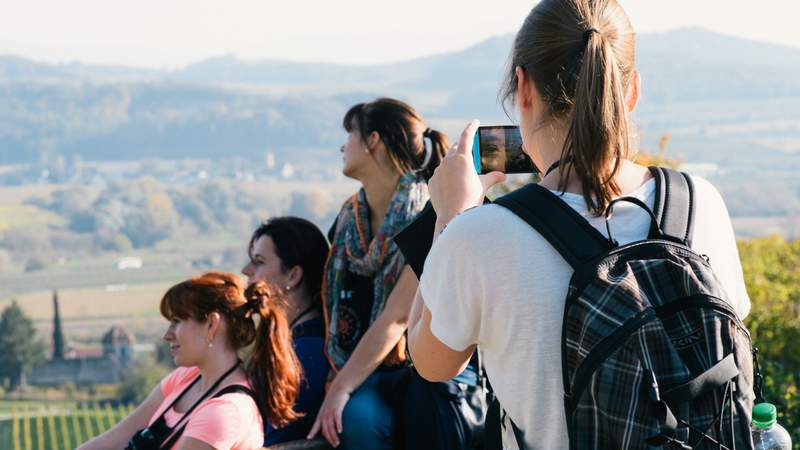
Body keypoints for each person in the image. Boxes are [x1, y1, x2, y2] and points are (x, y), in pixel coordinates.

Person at [406, 1, 752, 449]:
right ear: (632, 92)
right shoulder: (699, 202)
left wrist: (450, 219)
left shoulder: (480, 236)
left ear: (523, 89)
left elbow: (431, 361)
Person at [307, 97, 450, 449]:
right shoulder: (347, 219)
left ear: (373, 141)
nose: (343, 145)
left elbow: (397, 317)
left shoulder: (429, 216)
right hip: (359, 363)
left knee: (356, 419)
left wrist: (341, 387)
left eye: (350, 135)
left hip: (417, 367)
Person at [78, 272, 302, 450]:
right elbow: (117, 437)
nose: (168, 334)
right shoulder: (186, 378)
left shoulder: (225, 411)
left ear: (212, 325)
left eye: (177, 321)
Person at [241, 217, 330, 445]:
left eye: (259, 262)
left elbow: (272, 440)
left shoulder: (306, 355)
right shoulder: (295, 344)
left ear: (293, 275)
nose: (246, 270)